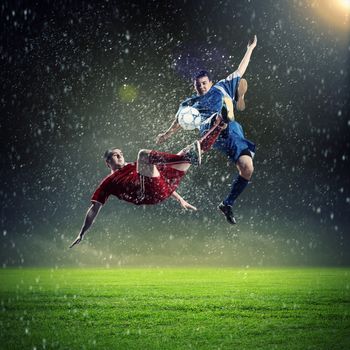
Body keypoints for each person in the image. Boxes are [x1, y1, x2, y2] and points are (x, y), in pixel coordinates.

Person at [69, 116, 226, 248]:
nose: (120, 156)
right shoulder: (108, 182)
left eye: (120, 153)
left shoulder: (135, 166)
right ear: (107, 163)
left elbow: (156, 176)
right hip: (147, 193)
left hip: (164, 187)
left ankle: (220, 126)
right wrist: (82, 233)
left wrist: (180, 199)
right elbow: (94, 209)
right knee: (143, 154)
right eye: (115, 156)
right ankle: (186, 157)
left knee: (190, 149)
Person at [156, 36, 257, 225]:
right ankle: (221, 119)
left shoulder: (220, 87)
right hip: (210, 132)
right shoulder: (190, 103)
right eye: (198, 84)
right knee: (216, 124)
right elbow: (179, 121)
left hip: (233, 132)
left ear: (210, 82)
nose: (201, 86)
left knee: (247, 168)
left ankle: (227, 204)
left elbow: (240, 70)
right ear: (194, 86)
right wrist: (166, 134)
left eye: (204, 83)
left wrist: (250, 49)